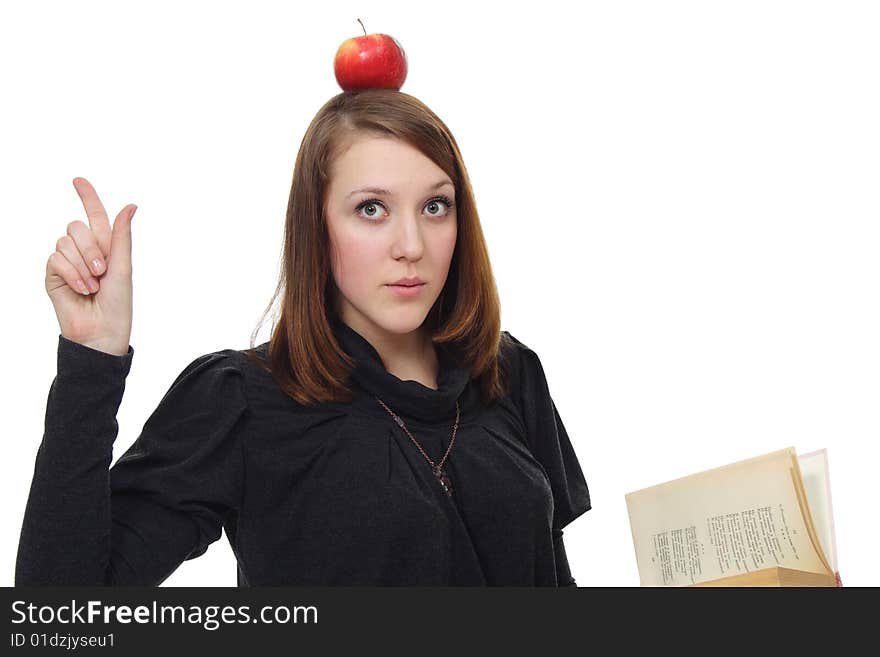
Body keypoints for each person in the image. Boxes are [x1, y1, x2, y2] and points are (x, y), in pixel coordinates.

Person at [15, 89, 591, 586]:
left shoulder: (508, 372)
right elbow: (60, 616)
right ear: (315, 227)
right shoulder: (241, 400)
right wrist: (92, 359)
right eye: (372, 209)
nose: (412, 244)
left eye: (435, 206)